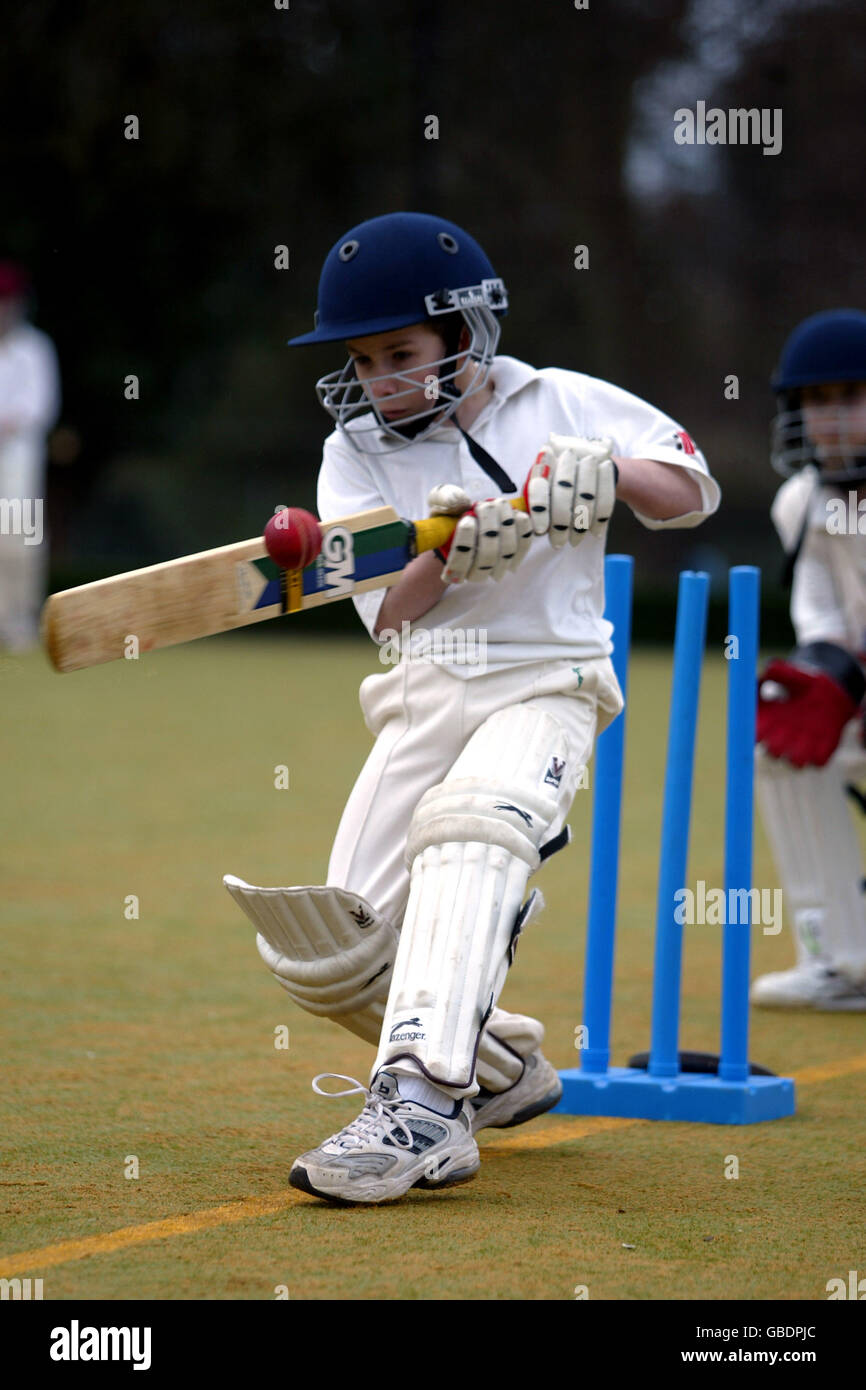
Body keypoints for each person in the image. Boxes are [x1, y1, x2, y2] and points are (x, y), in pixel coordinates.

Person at [225, 212, 720, 1204]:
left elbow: (688, 491)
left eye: (400, 353)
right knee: (330, 953)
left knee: (470, 834)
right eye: (363, 361)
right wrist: (443, 559)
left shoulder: (560, 400)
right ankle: (503, 1073)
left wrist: (605, 470)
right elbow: (384, 615)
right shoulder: (352, 454)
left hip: (548, 679)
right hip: (425, 695)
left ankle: (420, 1106)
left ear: (465, 332)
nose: (380, 380)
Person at [753, 308, 866, 1010]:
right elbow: (820, 617)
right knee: (778, 747)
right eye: (814, 402)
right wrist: (819, 685)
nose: (827, 420)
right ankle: (842, 959)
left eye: (849, 397)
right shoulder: (800, 502)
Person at [0, 261, 60, 651]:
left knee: (20, 539)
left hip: (19, 457)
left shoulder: (35, 348)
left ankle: (20, 623)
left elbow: (41, 406)